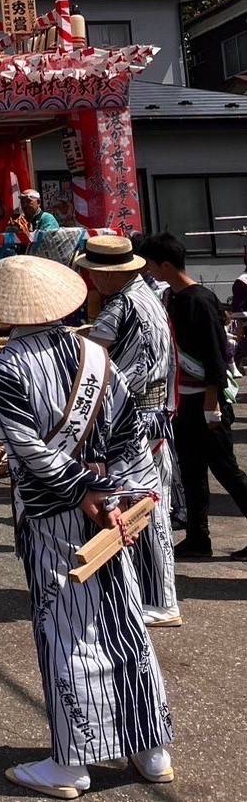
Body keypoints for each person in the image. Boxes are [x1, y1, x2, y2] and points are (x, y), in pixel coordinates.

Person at [0, 254, 174, 798]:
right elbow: (132, 430)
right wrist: (122, 495)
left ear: (4, 311)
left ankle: (72, 762)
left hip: (53, 512)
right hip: (110, 509)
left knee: (65, 631)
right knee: (122, 621)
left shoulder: (8, 367)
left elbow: (25, 448)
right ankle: (151, 750)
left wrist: (82, 492)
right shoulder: (97, 355)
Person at [82, 235, 180, 626]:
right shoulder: (148, 297)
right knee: (148, 505)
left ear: (106, 274)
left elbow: (93, 358)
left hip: (133, 417)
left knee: (142, 509)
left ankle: (160, 598)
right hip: (154, 411)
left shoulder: (122, 306)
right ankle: (151, 591)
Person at [139, 231, 247, 561]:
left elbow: (216, 358)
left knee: (227, 470)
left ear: (167, 265)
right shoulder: (172, 298)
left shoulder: (198, 300)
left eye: (153, 266)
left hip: (206, 400)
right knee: (191, 471)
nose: (150, 272)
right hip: (183, 400)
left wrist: (211, 406)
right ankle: (199, 537)